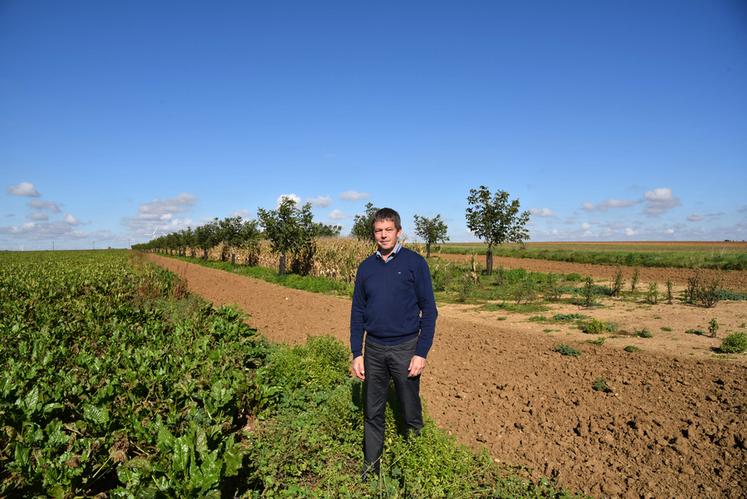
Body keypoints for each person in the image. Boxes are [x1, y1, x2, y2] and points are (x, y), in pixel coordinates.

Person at [350, 207, 438, 479]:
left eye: (389, 230)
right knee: (372, 411)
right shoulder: (366, 268)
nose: (384, 235)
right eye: (378, 230)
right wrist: (357, 352)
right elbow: (358, 312)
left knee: (409, 407)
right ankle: (371, 468)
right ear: (373, 233)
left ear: (399, 232)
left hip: (405, 348)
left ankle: (417, 464)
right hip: (374, 349)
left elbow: (429, 310)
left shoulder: (415, 263)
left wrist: (421, 352)